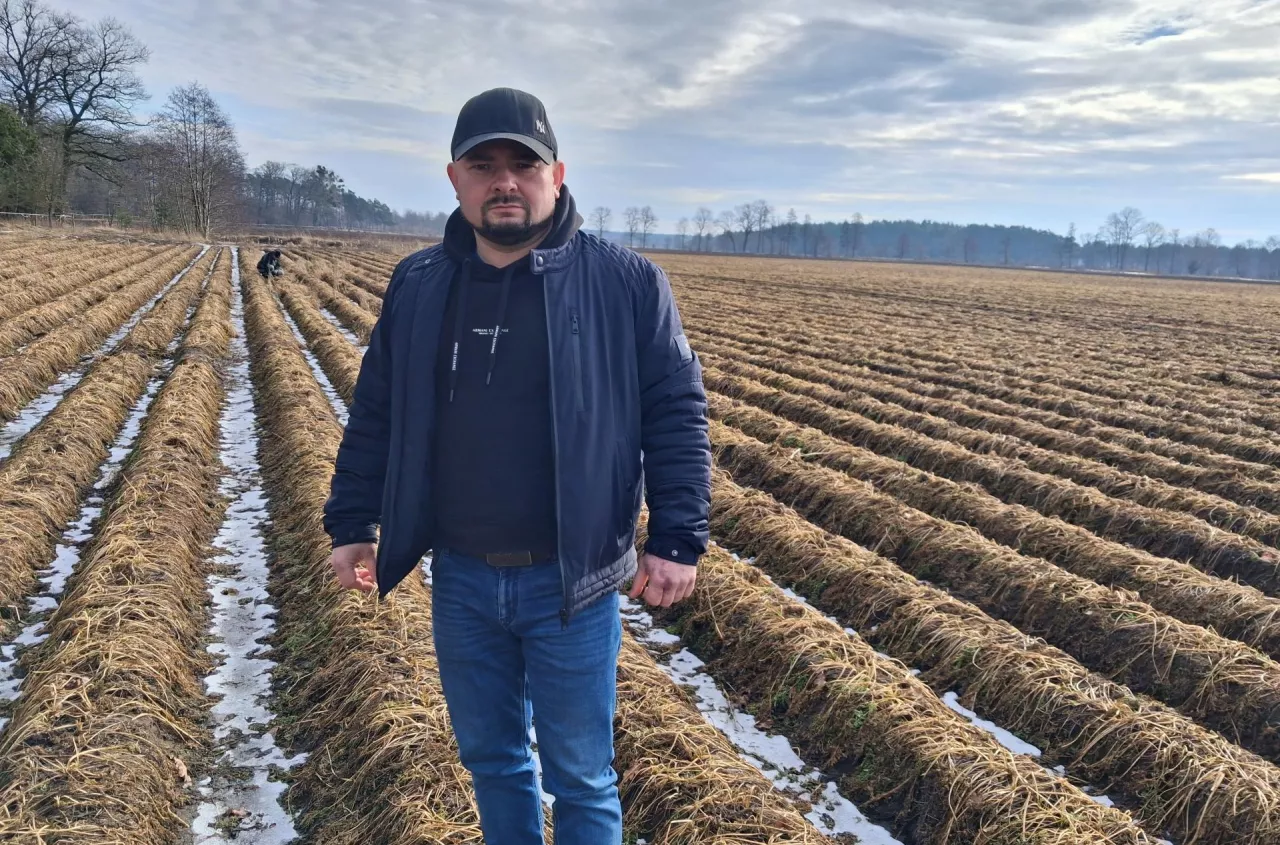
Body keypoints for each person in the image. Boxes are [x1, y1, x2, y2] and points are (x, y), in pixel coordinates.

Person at [322, 87, 711, 845]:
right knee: (492, 761)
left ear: (556, 176)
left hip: (573, 581)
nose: (505, 181)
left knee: (582, 776)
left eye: (523, 165)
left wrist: (677, 538)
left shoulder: (625, 283)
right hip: (461, 578)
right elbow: (377, 410)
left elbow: (675, 411)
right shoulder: (420, 284)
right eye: (484, 166)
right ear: (455, 180)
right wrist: (351, 521)